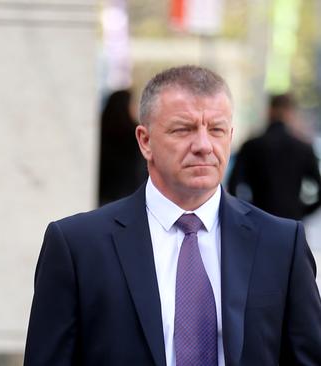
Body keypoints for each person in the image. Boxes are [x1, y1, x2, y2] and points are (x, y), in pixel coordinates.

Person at [24, 65, 321, 365]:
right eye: (183, 129)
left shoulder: (282, 244)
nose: (204, 146)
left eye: (216, 130)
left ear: (230, 136)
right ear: (145, 141)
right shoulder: (78, 247)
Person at [228, 93, 321, 220]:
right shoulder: (303, 148)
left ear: (269, 111)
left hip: (260, 220)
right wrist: (302, 211)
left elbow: (234, 186)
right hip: (291, 221)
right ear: (290, 113)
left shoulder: (251, 146)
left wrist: (250, 210)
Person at [98, 89, 147, 206]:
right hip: (128, 200)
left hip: (104, 201)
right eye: (134, 104)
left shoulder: (102, 133)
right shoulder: (136, 136)